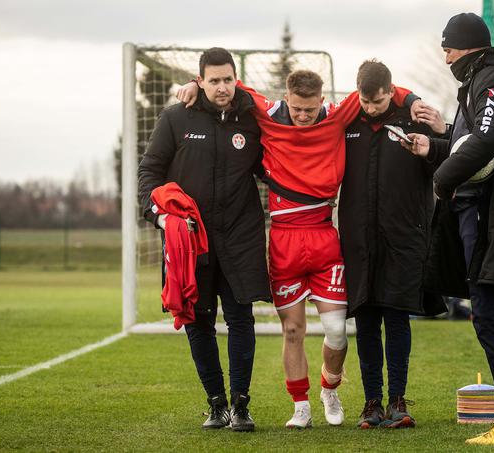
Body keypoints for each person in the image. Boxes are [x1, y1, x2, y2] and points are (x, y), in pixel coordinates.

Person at [177, 70, 416, 429]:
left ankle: (329, 388)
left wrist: (414, 101)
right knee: (293, 331)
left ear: (322, 100)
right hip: (285, 240)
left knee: (337, 330)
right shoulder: (269, 113)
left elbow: (385, 89)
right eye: (297, 109)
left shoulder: (338, 115)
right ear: (287, 99)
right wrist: (194, 85)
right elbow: (228, 88)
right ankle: (301, 405)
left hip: (323, 237)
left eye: (310, 109)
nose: (303, 116)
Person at [405, 13, 494, 445]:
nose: (445, 55)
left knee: (489, 313)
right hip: (483, 215)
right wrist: (435, 145)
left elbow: (488, 140)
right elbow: (473, 142)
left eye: (448, 48)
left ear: (466, 47)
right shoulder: (478, 81)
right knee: (487, 314)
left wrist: (441, 178)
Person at [138, 47, 271, 432]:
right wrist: (158, 215)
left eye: (228, 79)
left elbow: (276, 165)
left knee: (241, 319)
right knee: (199, 322)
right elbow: (150, 170)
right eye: (213, 80)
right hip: (191, 239)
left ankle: (241, 405)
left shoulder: (252, 118)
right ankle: (216, 403)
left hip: (241, 234)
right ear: (200, 81)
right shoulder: (176, 117)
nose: (222, 87)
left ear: (236, 79)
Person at [338, 60, 449, 429]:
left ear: (391, 91)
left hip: (404, 238)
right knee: (366, 322)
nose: (371, 108)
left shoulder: (414, 118)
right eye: (366, 102)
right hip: (359, 240)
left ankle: (398, 401)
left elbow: (451, 154)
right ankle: (371, 404)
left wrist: (432, 143)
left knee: (397, 319)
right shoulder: (347, 121)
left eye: (379, 101)